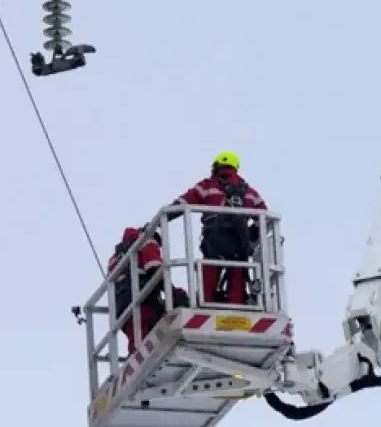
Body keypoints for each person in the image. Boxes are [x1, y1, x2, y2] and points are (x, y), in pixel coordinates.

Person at [169, 150, 268, 306]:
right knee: (238, 271)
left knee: (210, 270)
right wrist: (251, 237)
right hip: (239, 244)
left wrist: (164, 218)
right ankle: (237, 303)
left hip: (215, 240)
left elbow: (182, 203)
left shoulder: (208, 186)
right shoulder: (250, 192)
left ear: (216, 166)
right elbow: (264, 218)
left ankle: (206, 301)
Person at [109, 226, 190, 353]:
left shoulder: (117, 256)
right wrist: (174, 293)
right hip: (142, 302)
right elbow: (155, 269)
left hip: (122, 309)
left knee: (138, 342)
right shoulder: (145, 241)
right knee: (141, 343)